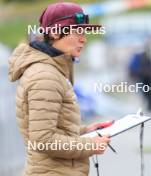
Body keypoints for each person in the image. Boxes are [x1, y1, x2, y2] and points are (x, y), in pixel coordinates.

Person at [8, 2, 110, 176]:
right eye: (77, 32)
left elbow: (53, 129)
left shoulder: (52, 69)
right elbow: (43, 140)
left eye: (84, 32)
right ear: (55, 32)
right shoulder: (45, 76)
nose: (83, 38)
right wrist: (90, 145)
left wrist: (85, 131)